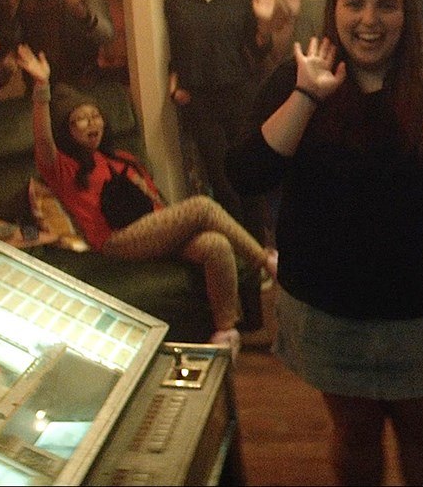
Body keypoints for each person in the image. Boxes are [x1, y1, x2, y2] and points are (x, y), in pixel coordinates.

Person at [227, 0, 423, 486]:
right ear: (334, 10)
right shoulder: (300, 74)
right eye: (354, 4)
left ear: (406, 13)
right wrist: (307, 96)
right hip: (328, 305)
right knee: (353, 430)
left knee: (422, 427)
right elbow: (248, 175)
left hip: (421, 306)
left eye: (385, 6)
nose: (369, 20)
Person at [16, 45, 268, 353]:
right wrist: (42, 87)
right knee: (201, 206)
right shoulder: (64, 169)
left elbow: (156, 203)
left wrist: (176, 226)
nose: (92, 123)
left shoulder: (123, 158)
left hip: (154, 232)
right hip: (117, 240)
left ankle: (225, 334)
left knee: (216, 245)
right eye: (80, 119)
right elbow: (43, 140)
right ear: (67, 131)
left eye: (96, 116)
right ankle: (265, 260)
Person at [163, 0, 273, 239]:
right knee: (220, 180)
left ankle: (260, 248)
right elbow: (175, 46)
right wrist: (175, 80)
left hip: (241, 94)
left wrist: (265, 23)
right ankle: (238, 248)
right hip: (200, 100)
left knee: (248, 171)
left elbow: (259, 50)